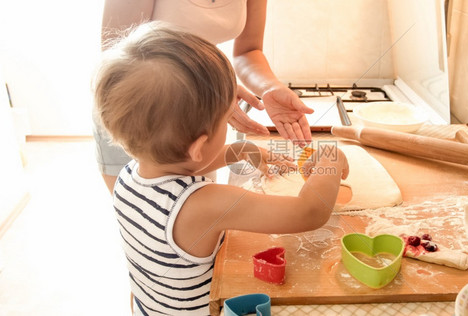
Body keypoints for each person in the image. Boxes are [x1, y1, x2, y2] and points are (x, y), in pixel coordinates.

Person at [93, 22, 348, 315]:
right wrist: (332, 158)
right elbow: (309, 212)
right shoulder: (203, 204)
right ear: (199, 145)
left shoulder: (130, 175)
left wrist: (244, 150)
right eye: (227, 117)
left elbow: (188, 165)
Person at [96, 0, 314, 193]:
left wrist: (268, 87)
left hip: (198, 109)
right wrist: (210, 86)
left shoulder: (200, 144)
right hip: (139, 109)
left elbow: (248, 51)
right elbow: (119, 61)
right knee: (145, 211)